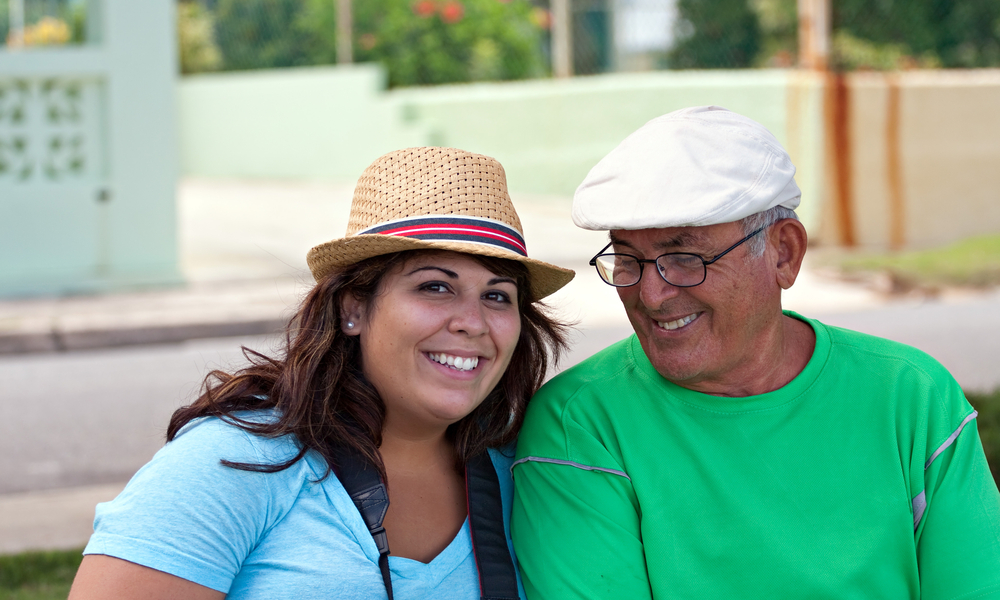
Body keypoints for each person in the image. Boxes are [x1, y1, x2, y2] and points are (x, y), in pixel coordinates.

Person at [511, 106, 1000, 599]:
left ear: (783, 253)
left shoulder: (911, 396)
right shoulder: (579, 425)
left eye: (685, 257)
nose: (651, 295)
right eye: (627, 259)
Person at [68, 147, 574, 600]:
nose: (472, 322)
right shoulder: (232, 464)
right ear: (354, 307)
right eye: (435, 287)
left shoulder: (527, 474)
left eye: (497, 295)